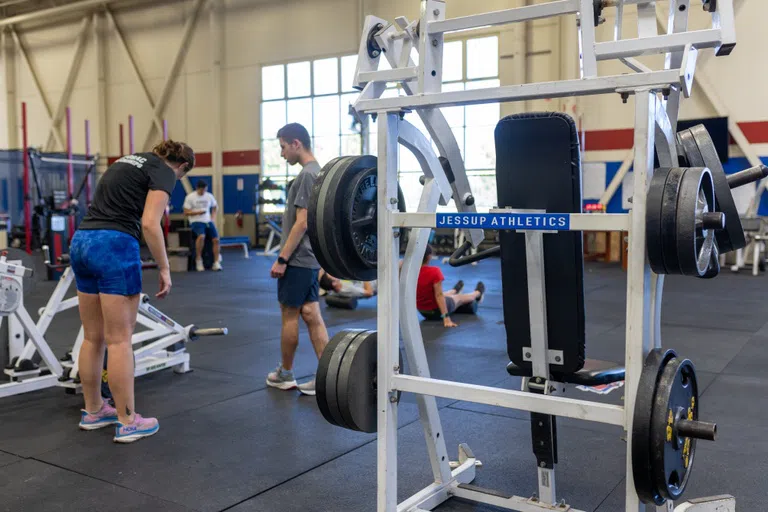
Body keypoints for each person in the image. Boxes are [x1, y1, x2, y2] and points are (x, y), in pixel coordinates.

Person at [69, 140, 195, 443]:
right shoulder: (164, 172)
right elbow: (150, 224)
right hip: (113, 246)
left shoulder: (125, 160)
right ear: (181, 167)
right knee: (119, 340)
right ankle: (128, 421)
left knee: (92, 337)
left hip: (82, 241)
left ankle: (94, 410)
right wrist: (165, 268)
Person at [267, 123, 329, 396]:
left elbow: (302, 222)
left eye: (282, 147)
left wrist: (282, 258)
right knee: (311, 313)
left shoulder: (306, 175)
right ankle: (328, 375)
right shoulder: (322, 173)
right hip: (311, 258)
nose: (282, 154)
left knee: (289, 314)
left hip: (298, 259)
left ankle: (286, 373)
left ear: (296, 143)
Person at [416, 245, 484, 328]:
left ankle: (454, 290)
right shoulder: (434, 271)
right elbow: (439, 295)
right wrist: (446, 318)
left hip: (423, 312)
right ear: (429, 256)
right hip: (437, 312)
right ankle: (478, 293)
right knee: (459, 297)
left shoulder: (411, 272)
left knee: (443, 294)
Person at [183, 180, 222, 272]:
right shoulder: (190, 197)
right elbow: (186, 212)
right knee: (201, 236)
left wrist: (213, 217)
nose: (203, 192)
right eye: (201, 190)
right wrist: (198, 212)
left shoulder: (209, 196)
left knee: (216, 239)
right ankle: (199, 260)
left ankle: (216, 262)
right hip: (196, 221)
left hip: (208, 221)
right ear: (197, 189)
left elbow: (215, 206)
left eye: (204, 190)